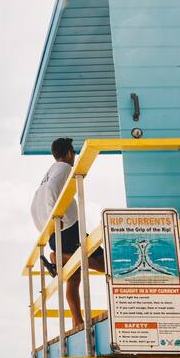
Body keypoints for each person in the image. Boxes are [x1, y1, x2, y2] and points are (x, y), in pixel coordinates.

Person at [30, 137, 106, 328]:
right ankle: (59, 257)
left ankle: (77, 321)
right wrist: (56, 215)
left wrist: (47, 225)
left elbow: (35, 203)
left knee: (74, 277)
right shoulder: (64, 168)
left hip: (55, 233)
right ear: (69, 153)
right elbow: (52, 191)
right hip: (67, 228)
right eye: (74, 152)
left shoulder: (48, 172)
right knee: (105, 264)